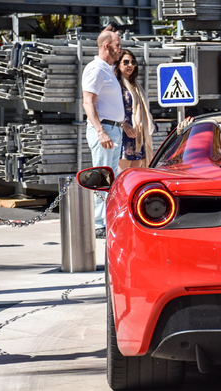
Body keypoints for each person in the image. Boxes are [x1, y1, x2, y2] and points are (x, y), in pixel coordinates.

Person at [82, 30, 133, 239]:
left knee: (110, 179)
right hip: (104, 130)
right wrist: (101, 131)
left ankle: (106, 219)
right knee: (101, 178)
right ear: (107, 46)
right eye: (117, 45)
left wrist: (123, 123)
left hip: (114, 129)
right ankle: (98, 224)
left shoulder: (108, 70)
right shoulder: (95, 69)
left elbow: (108, 103)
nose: (120, 48)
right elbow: (88, 102)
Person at [115, 49, 156, 169]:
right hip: (124, 134)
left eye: (133, 62)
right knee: (122, 174)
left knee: (136, 173)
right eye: (126, 62)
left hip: (138, 134)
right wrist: (124, 125)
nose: (130, 65)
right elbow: (111, 109)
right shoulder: (116, 84)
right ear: (118, 64)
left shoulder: (136, 85)